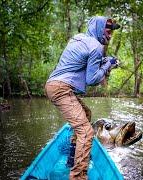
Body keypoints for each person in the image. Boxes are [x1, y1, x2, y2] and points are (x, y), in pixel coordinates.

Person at [45, 16, 120, 179]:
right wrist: (108, 64)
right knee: (86, 132)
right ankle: (78, 176)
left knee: (86, 114)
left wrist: (104, 62)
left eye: (112, 31)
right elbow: (92, 79)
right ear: (99, 29)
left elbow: (81, 62)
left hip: (54, 85)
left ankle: (73, 157)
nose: (110, 34)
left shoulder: (79, 38)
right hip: (61, 88)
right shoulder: (96, 47)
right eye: (108, 30)